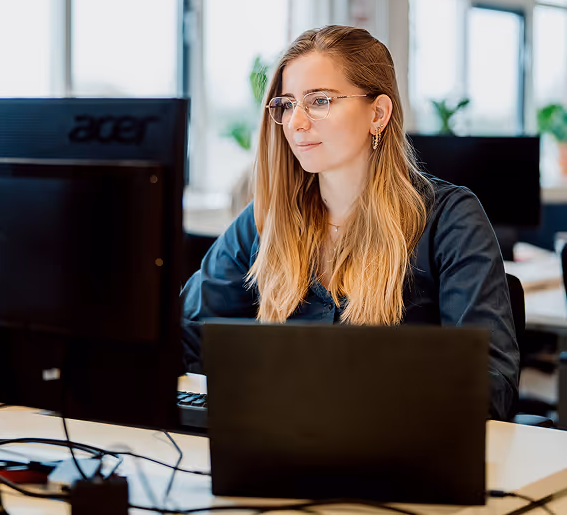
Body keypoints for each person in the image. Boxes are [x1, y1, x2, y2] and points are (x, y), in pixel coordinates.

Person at [182, 25, 519, 420]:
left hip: (397, 457)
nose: (296, 123)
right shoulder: (266, 218)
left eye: (319, 101)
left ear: (378, 113)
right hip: (283, 447)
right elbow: (186, 334)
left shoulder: (449, 218)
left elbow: (490, 383)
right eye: (287, 105)